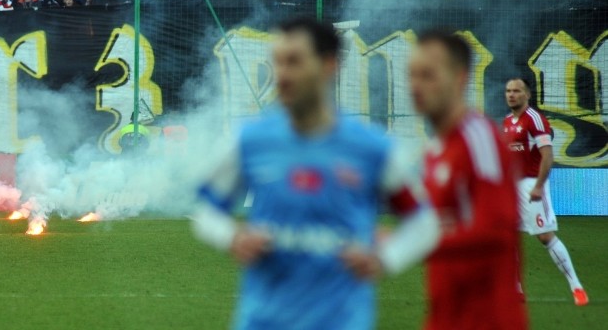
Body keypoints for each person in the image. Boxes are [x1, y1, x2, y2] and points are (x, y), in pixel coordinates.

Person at [192, 17, 440, 330]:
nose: (281, 75)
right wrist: (233, 237)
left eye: (293, 62)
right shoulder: (250, 142)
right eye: (277, 63)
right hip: (262, 321)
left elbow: (424, 223)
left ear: (328, 65)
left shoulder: (372, 149)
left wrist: (384, 258)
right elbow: (206, 212)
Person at [407, 31, 527, 329]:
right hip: (446, 317)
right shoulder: (436, 149)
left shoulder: (478, 137)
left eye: (428, 75)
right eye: (412, 75)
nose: (415, 86)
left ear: (459, 77)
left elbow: (496, 232)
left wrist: (404, 243)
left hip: (487, 320)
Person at [503, 77, 588, 306]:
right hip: (513, 186)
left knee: (545, 236)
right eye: (509, 91)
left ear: (527, 95)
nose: (511, 95)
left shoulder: (535, 120)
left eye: (517, 91)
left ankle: (576, 287)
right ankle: (516, 290)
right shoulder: (507, 121)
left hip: (532, 185)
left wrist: (539, 186)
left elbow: (547, 155)